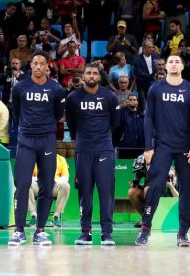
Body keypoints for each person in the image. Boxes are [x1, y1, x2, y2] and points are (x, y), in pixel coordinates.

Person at [136, 54, 190, 247]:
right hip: (162, 147)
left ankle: (183, 233)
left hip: (185, 147)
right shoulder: (156, 89)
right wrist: (148, 147)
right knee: (155, 187)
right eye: (170, 61)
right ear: (165, 66)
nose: (173, 64)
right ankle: (145, 229)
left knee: (187, 190)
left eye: (177, 61)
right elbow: (148, 119)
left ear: (182, 66)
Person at [9, 53, 65, 246]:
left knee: (46, 186)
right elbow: (15, 112)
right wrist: (26, 127)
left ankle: (40, 230)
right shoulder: (20, 87)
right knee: (23, 185)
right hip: (26, 140)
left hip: (47, 140)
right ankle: (19, 230)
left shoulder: (56, 89)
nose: (39, 67)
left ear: (47, 66)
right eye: (35, 63)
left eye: (42, 63)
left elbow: (59, 114)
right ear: (31, 66)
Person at [65, 64, 121, 245]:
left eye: (95, 73)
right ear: (83, 76)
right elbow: (72, 125)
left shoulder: (109, 96)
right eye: (88, 73)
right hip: (83, 150)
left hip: (104, 149)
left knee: (106, 193)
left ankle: (107, 233)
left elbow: (116, 123)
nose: (91, 76)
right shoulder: (73, 97)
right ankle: (85, 232)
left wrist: (104, 140)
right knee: (85, 193)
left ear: (99, 77)